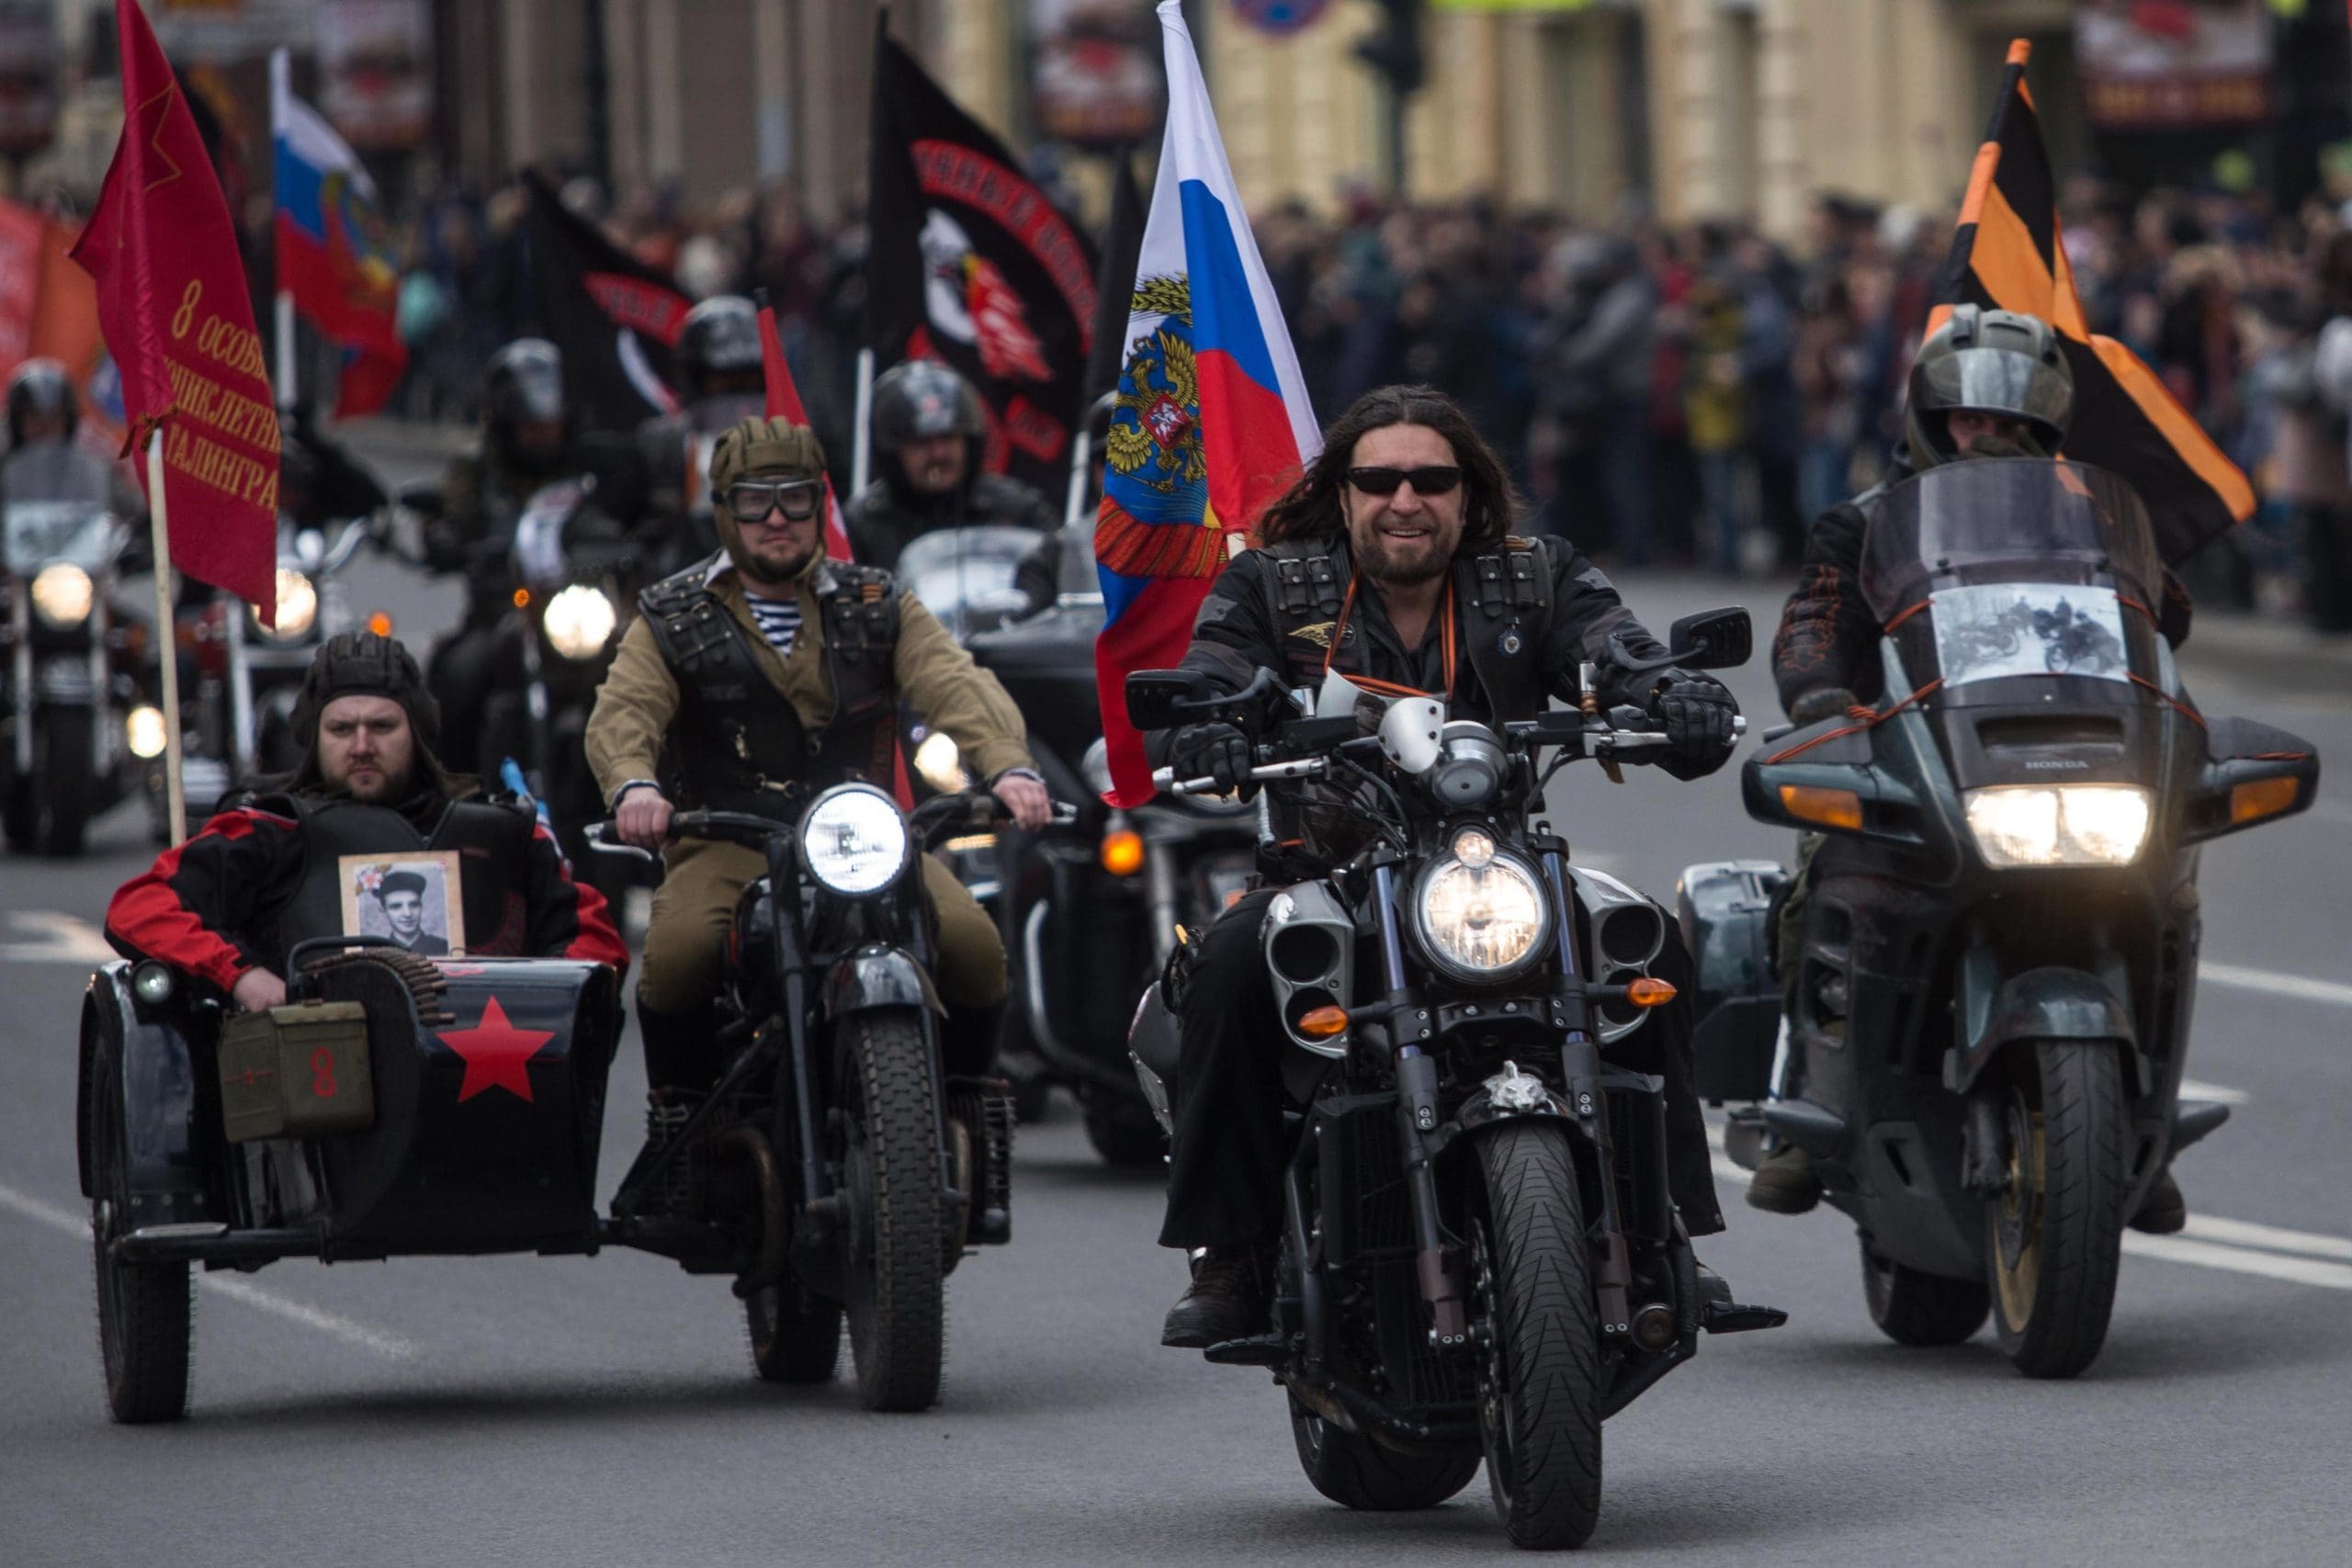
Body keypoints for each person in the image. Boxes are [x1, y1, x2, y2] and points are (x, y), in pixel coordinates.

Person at [1150, 384, 1742, 1348]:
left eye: (1431, 479)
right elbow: (1219, 668)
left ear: (1468, 494)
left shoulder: (1531, 576)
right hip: (1325, 871)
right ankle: (1234, 1254)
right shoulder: (1273, 583)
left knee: (1648, 944)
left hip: (1495, 872)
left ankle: (1665, 1225)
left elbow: (1615, 649)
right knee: (1221, 968)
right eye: (1378, 480)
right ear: (1341, 494)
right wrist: (1215, 722)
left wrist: (1675, 692)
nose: (1405, 500)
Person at [1749, 304, 2192, 1232]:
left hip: (2065, 750)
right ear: (1928, 417)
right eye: (1967, 419)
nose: (1985, 436)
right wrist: (1821, 698)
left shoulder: (2084, 524)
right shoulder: (1865, 523)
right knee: (1814, 882)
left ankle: (2135, 1117)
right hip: (1916, 751)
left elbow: (2161, 617)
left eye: (2008, 423)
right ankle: (1801, 1099)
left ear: (2044, 429)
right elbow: (1814, 623)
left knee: (2173, 886)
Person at [584, 414, 1052, 1194]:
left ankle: (973, 1115)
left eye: (797, 501)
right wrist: (634, 785)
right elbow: (623, 711)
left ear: (820, 506)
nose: (777, 520)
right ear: (725, 510)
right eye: (757, 501)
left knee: (973, 945)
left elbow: (956, 683)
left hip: (869, 841)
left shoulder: (880, 602)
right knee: (672, 964)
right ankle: (684, 1125)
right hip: (728, 840)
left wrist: (1009, 768)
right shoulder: (670, 615)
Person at [105, 631, 627, 1008]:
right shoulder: (267, 831)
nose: (361, 746)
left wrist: (556, 1000)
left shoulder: (501, 832)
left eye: (381, 726)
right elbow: (141, 907)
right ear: (315, 739)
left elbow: (595, 942)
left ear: (416, 734)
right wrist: (242, 975)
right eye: (341, 729)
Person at [424, 339, 639, 773]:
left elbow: (631, 515)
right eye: (530, 425)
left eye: (550, 424)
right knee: (458, 677)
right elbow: (453, 515)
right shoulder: (476, 469)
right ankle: (454, 791)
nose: (543, 434)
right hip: (505, 606)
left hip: (582, 607)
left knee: (645, 671)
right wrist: (447, 537)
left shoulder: (592, 465)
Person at [842, 360, 1057, 572]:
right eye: (921, 442)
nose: (938, 454)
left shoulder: (1017, 509)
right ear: (893, 451)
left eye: (948, 438)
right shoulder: (863, 525)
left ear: (969, 442)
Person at [633, 295, 770, 575]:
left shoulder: (795, 444)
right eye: (725, 383)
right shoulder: (661, 444)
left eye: (750, 381)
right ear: (695, 379)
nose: (739, 401)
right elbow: (611, 513)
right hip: (674, 588)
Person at [373, 869, 448, 955]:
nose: (407, 914)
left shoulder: (444, 947)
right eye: (396, 906)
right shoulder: (376, 952)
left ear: (421, 906)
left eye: (414, 905)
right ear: (383, 910)